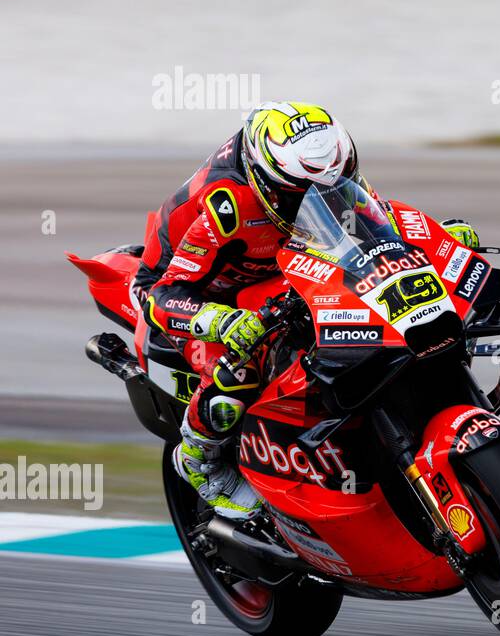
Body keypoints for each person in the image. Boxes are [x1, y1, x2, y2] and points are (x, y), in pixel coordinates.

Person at [133, 102, 479, 519]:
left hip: (277, 266)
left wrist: (437, 237)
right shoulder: (225, 206)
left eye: (338, 183)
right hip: (199, 291)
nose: (320, 199)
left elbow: (370, 219)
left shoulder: (322, 172)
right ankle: (198, 461)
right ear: (268, 183)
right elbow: (163, 293)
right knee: (245, 364)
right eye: (302, 196)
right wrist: (219, 321)